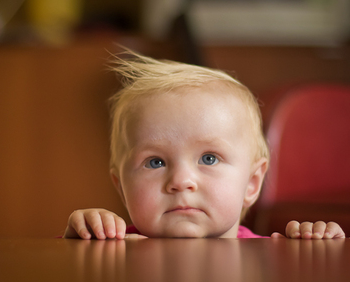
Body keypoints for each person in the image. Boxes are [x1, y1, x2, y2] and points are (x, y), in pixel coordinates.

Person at [64, 50, 346, 239]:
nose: (181, 181)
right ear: (121, 188)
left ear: (251, 183)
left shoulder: (269, 253)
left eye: (209, 158)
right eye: (155, 162)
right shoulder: (113, 246)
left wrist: (317, 253)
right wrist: (81, 240)